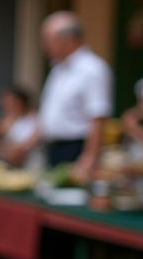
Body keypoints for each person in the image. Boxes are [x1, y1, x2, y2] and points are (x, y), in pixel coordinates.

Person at [11, 12, 113, 176]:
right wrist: (24, 147)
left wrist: (89, 158)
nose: (45, 47)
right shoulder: (58, 69)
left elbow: (98, 118)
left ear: (68, 39)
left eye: (49, 40)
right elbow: (48, 117)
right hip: (53, 149)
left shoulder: (92, 69)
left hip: (76, 149)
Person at [0, 85, 38, 164]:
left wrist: (3, 149)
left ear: (20, 102)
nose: (7, 106)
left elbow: (23, 148)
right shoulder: (9, 119)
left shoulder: (35, 120)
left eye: (10, 102)